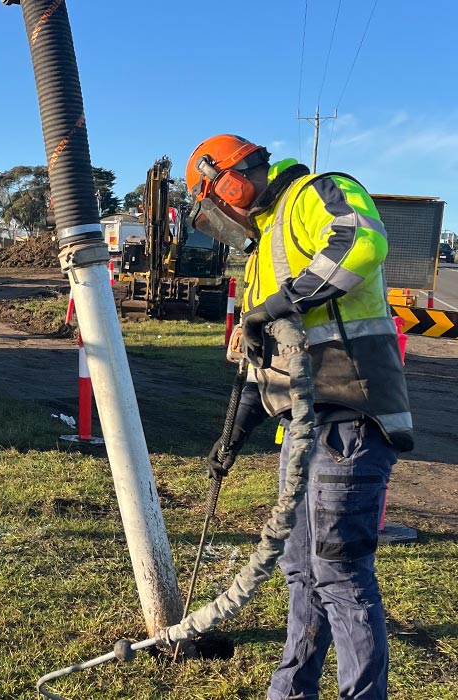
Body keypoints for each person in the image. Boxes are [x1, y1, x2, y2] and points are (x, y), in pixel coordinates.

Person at [186, 134, 413, 700]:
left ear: (232, 180)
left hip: (352, 416)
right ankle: (291, 691)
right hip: (303, 430)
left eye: (217, 203)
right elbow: (264, 362)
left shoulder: (318, 193)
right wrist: (234, 434)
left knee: (337, 571)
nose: (222, 218)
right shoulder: (263, 246)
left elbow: (361, 242)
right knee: (299, 568)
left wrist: (288, 298)